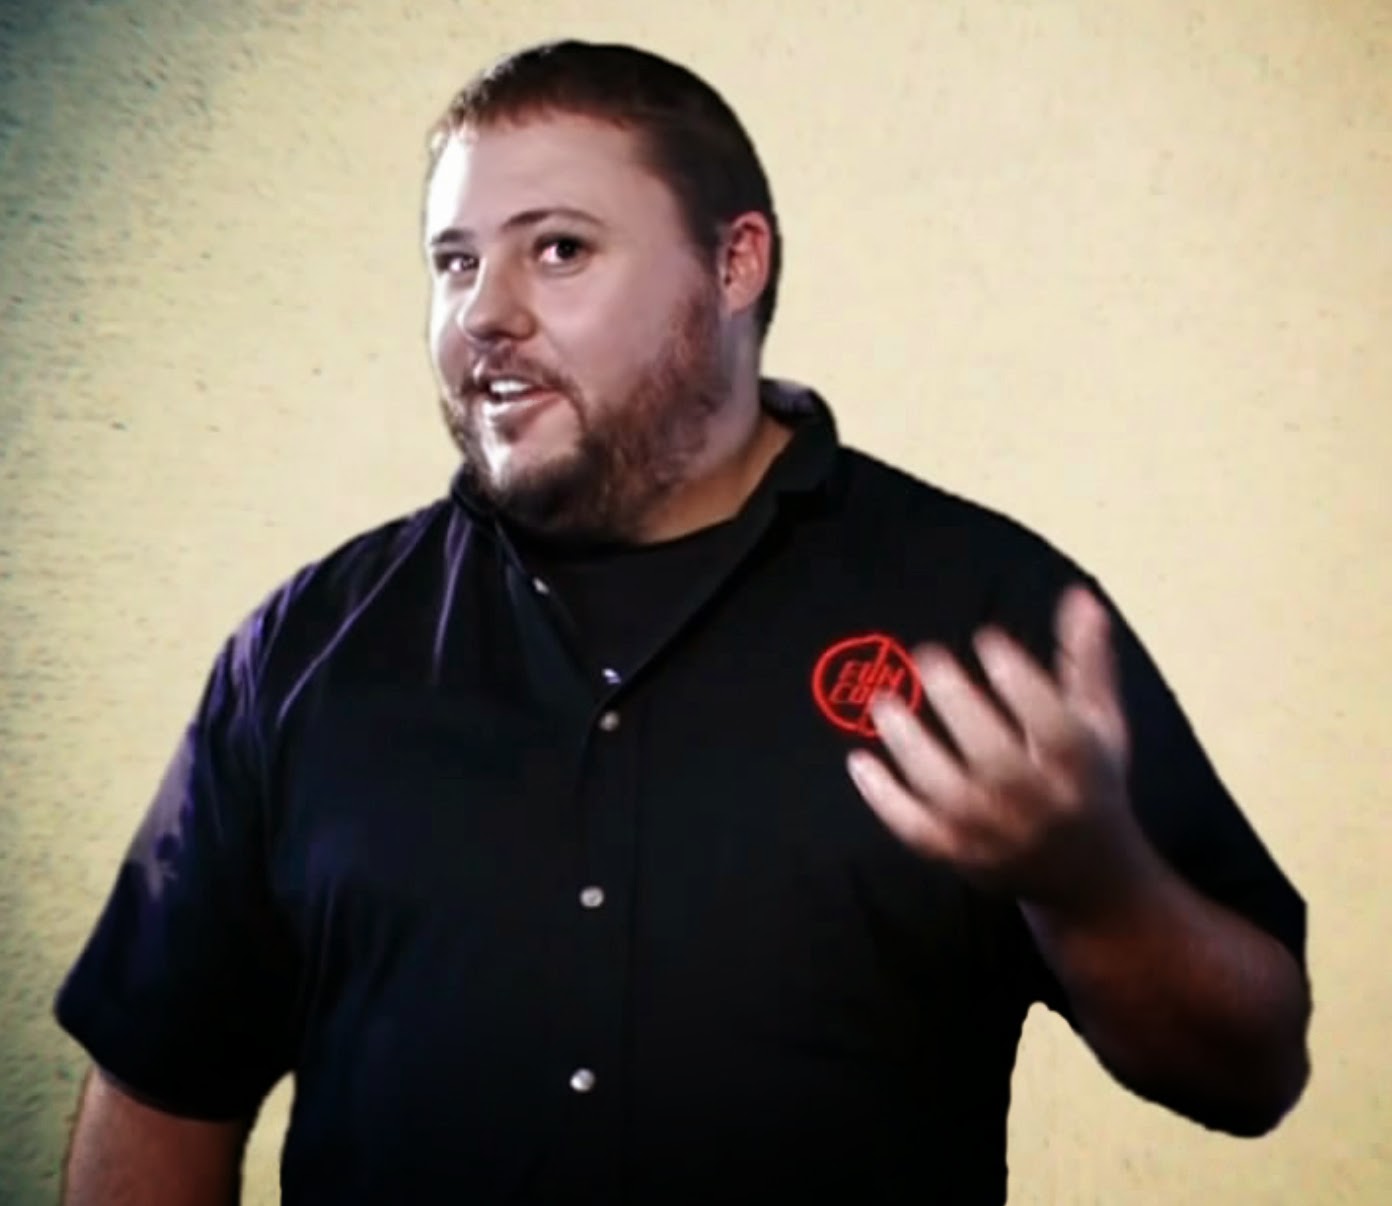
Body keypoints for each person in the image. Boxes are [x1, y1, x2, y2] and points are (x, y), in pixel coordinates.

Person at [53, 38, 1311, 1206]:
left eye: (557, 249)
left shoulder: (979, 616)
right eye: (454, 262)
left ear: (734, 264)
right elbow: (163, 1089)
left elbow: (1250, 1076)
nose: (483, 313)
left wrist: (1096, 887)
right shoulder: (306, 654)